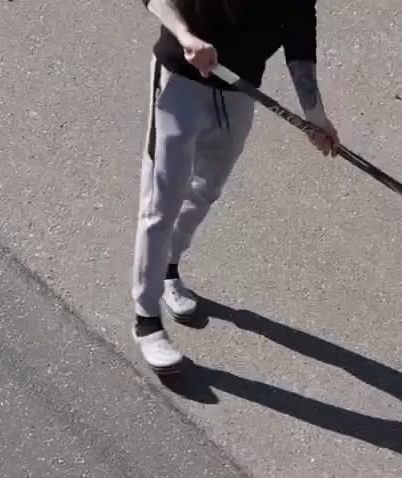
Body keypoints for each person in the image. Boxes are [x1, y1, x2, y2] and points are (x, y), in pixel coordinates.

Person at [131, 0, 340, 374]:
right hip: (179, 80)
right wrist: (185, 35)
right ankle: (146, 319)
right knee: (162, 202)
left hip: (239, 91)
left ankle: (167, 268)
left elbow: (299, 43)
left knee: (204, 192)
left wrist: (315, 115)